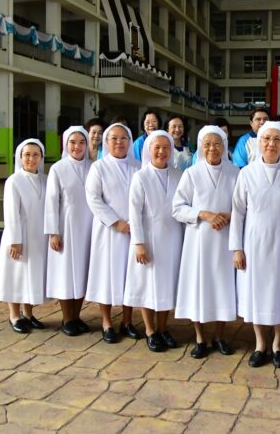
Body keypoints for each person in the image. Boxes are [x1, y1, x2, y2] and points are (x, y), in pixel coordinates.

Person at [231, 122, 280, 369]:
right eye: (266, 139)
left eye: (277, 139)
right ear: (259, 142)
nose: (271, 144)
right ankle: (261, 344)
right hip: (254, 243)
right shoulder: (247, 173)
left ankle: (278, 345)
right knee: (257, 293)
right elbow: (238, 212)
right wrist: (237, 248)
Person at [174, 126, 239, 359]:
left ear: (224, 146)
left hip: (225, 239)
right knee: (198, 287)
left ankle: (220, 336)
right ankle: (200, 338)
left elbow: (243, 205)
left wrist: (230, 216)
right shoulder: (191, 173)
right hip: (199, 240)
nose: (212, 148)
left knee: (222, 287)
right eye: (208, 144)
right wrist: (204, 214)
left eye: (217, 143)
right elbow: (178, 208)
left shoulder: (235, 172)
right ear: (201, 147)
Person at [125, 130, 184, 352]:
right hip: (148, 237)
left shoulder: (179, 175)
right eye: (157, 147)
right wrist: (138, 243)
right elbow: (134, 212)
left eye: (166, 147)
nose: (161, 151)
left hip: (173, 237)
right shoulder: (141, 177)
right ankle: (150, 330)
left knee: (166, 285)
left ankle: (163, 328)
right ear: (149, 150)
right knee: (148, 285)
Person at [85, 123, 142, 343]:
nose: (119, 142)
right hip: (108, 231)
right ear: (106, 143)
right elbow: (93, 198)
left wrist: (134, 223)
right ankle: (107, 322)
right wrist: (116, 222)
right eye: (114, 138)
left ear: (129, 141)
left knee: (129, 275)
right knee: (106, 276)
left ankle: (127, 321)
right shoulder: (98, 167)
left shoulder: (138, 167)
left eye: (123, 138)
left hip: (133, 230)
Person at [0, 139, 48, 334]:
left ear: (41, 157)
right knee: (16, 275)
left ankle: (29, 314)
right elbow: (11, 214)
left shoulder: (45, 179)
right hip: (19, 235)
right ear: (20, 157)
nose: (31, 159)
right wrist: (15, 241)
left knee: (31, 275)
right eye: (27, 155)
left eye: (35, 155)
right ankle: (14, 315)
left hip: (38, 236)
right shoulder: (14, 181)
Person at [45, 127, 93, 336]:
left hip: (88, 226)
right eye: (73, 142)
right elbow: (51, 201)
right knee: (66, 272)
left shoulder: (93, 166)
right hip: (66, 226)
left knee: (82, 271)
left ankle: (77, 316)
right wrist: (53, 232)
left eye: (82, 142)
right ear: (66, 144)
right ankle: (67, 318)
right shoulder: (58, 168)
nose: (77, 146)